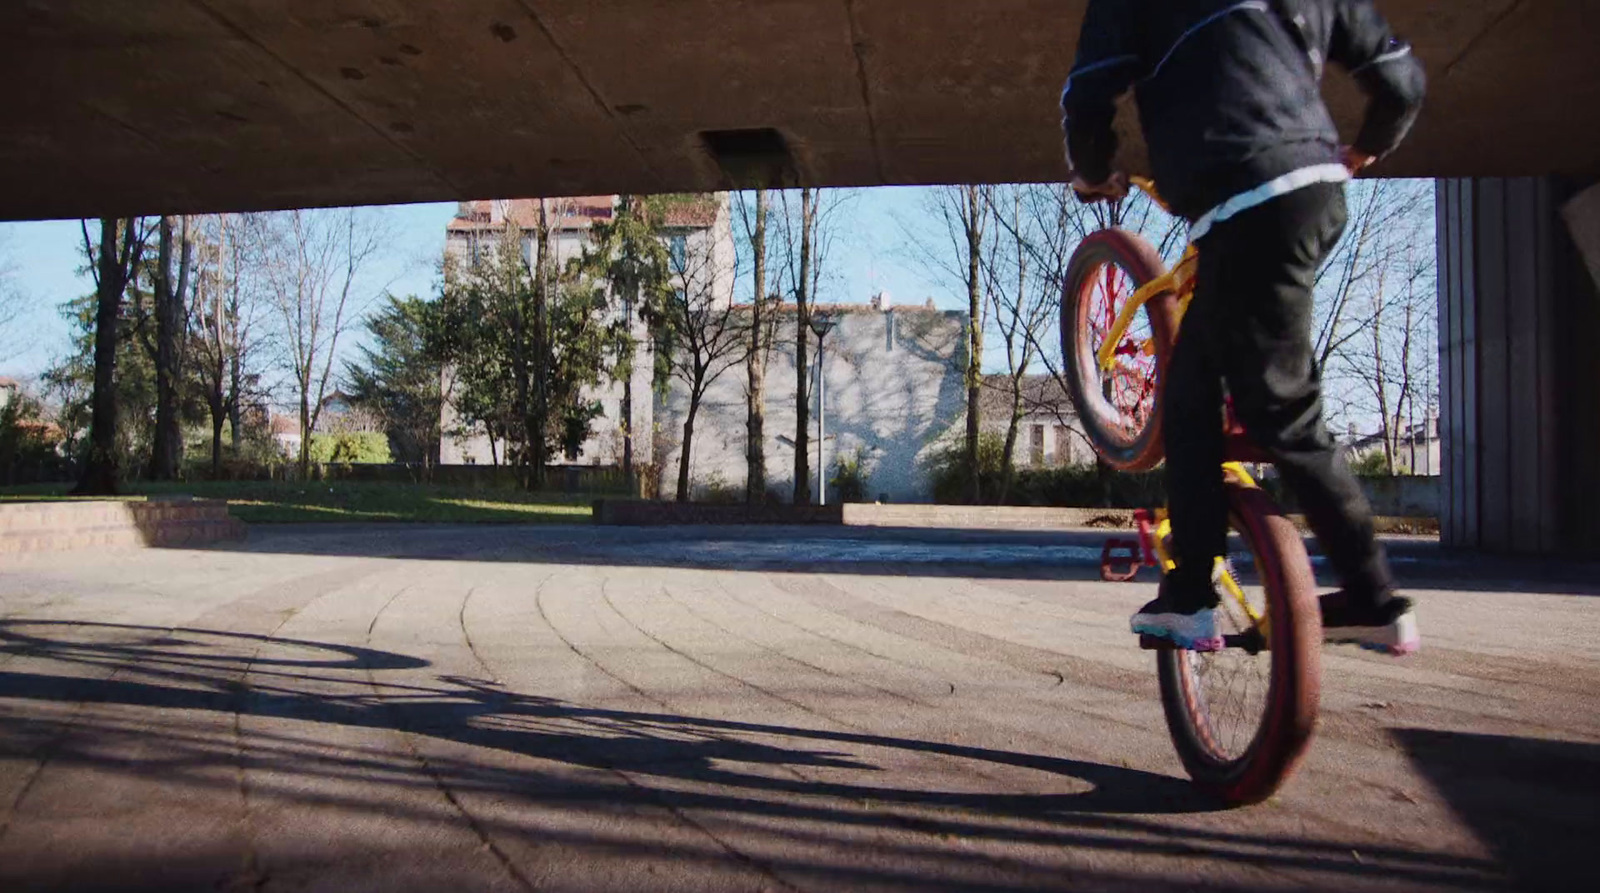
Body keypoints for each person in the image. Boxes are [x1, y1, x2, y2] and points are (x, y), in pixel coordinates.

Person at [1061, 0, 1426, 655]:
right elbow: (1401, 81)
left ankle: (1370, 597)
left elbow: (1088, 95)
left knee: (1282, 409)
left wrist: (1093, 171)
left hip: (1247, 204)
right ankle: (1193, 592)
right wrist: (1365, 146)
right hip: (1309, 195)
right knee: (1193, 393)